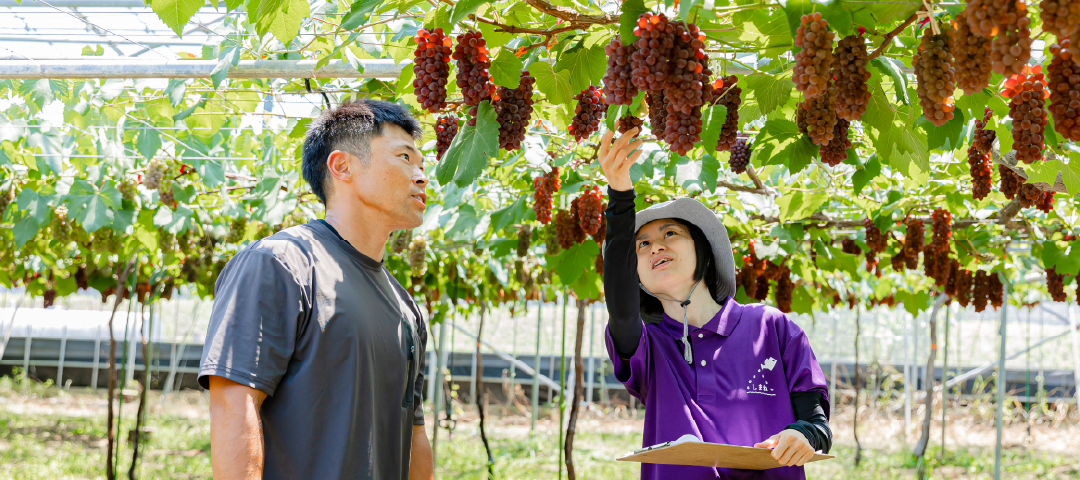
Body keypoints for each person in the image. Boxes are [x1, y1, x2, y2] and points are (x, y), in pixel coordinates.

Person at [198, 99, 435, 480]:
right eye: (404, 157)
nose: (421, 175)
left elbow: (414, 431)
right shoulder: (280, 263)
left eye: (422, 165)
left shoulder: (404, 305)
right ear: (342, 166)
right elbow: (233, 404)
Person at [598, 127, 832, 480]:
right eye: (641, 245)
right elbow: (620, 305)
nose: (655, 247)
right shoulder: (648, 346)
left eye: (669, 234)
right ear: (636, 276)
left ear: (703, 251)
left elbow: (817, 425)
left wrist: (803, 435)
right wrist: (619, 194)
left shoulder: (772, 328)